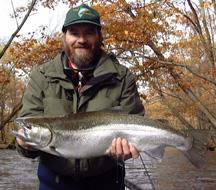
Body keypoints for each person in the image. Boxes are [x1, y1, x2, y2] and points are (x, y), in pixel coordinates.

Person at [16, 4, 144, 190]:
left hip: (106, 183)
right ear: (65, 37)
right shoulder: (41, 77)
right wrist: (25, 144)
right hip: (54, 184)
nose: (81, 39)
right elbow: (28, 133)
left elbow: (136, 125)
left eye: (89, 32)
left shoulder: (122, 77)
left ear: (99, 37)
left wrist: (128, 150)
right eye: (74, 33)